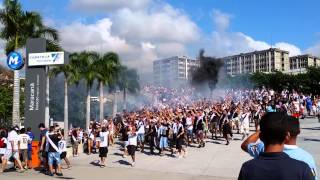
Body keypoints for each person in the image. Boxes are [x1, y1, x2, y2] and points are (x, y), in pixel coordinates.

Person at [238, 113, 313, 180]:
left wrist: (264, 129)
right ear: (287, 136)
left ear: (261, 136)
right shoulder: (302, 168)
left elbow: (245, 145)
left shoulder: (248, 168)